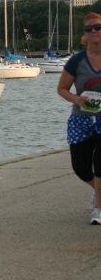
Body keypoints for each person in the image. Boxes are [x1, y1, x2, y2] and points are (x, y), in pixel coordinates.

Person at [57, 12, 101, 225]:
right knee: (81, 167)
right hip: (81, 119)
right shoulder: (77, 61)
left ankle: (99, 208)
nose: (93, 31)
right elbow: (62, 88)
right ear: (84, 34)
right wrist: (77, 99)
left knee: (100, 162)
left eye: (98, 27)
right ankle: (99, 193)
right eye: (88, 29)